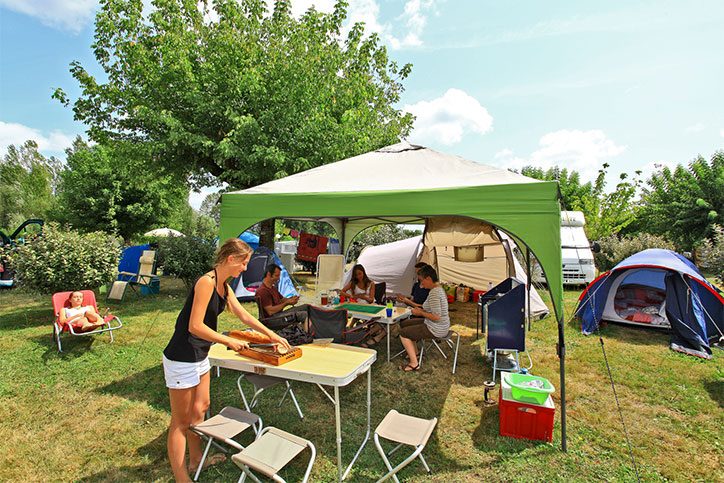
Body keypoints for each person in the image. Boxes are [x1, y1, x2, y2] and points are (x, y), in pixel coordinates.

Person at [162, 238, 291, 483]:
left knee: (201, 408)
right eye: (243, 263)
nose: (244, 268)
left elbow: (243, 316)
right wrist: (228, 341)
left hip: (200, 354)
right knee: (181, 421)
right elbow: (195, 325)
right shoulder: (206, 282)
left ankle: (197, 460)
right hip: (181, 356)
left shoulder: (225, 285)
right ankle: (182, 478)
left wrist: (272, 335)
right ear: (230, 259)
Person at [397, 265, 450, 372]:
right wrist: (417, 309)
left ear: (429, 278)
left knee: (403, 333)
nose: (421, 283)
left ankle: (414, 364)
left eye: (422, 280)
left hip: (436, 328)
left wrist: (420, 313)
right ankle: (415, 354)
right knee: (405, 324)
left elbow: (436, 316)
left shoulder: (435, 293)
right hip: (438, 325)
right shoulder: (437, 290)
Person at [255, 264, 307, 329]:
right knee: (303, 315)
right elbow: (270, 311)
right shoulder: (263, 291)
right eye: (277, 276)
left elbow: (282, 299)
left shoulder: (272, 288)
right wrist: (287, 303)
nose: (279, 278)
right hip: (271, 320)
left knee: (306, 307)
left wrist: (291, 299)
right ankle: (307, 336)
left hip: (278, 316)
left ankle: (313, 332)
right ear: (268, 274)